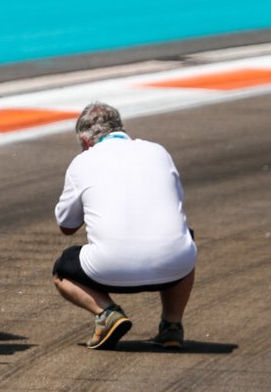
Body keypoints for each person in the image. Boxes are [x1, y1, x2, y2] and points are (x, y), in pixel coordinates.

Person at [53, 102, 197, 350]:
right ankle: (172, 325)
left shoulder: (82, 161)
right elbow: (177, 206)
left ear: (86, 142)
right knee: (186, 238)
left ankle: (106, 312)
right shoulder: (159, 152)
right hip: (173, 265)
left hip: (109, 269)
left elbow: (66, 225)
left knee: (62, 269)